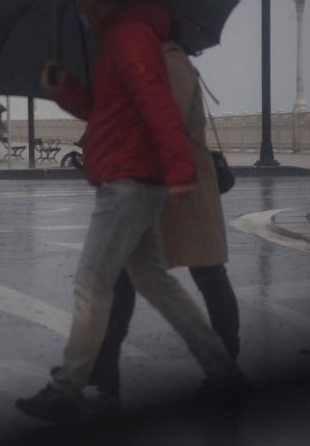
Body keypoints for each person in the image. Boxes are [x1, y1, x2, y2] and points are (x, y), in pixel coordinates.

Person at [14, 0, 246, 423]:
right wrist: (65, 90)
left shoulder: (129, 36)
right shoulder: (122, 37)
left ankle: (67, 389)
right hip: (134, 176)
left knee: (92, 282)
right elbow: (108, 109)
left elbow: (156, 104)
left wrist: (179, 167)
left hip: (127, 179)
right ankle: (223, 370)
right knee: (155, 282)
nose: (79, 3)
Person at [83, 38, 241, 408]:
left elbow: (166, 120)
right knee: (125, 275)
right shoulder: (157, 63)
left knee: (207, 273)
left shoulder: (172, 64)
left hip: (184, 188)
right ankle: (104, 368)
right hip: (159, 183)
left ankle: (226, 367)